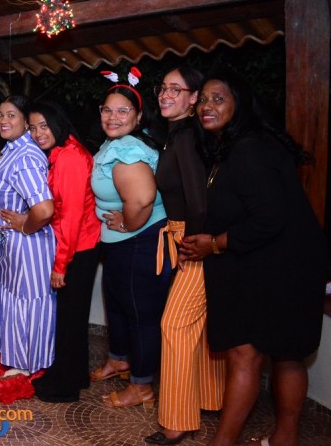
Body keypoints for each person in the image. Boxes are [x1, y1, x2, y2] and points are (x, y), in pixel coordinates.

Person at [180, 71, 327, 446]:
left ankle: (227, 442)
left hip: (284, 268)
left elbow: (268, 220)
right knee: (282, 354)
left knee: (251, 353)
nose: (207, 106)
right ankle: (283, 439)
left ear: (240, 104)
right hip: (272, 264)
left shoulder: (249, 150)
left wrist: (214, 244)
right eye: (203, 100)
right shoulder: (236, 146)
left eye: (219, 99)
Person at [146, 67, 225, 444]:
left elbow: (198, 201)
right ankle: (212, 398)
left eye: (176, 90)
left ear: (193, 99)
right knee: (198, 325)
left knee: (174, 324)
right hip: (188, 236)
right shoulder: (177, 135)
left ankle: (176, 421)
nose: (166, 95)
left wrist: (192, 245)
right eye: (163, 88)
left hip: (193, 241)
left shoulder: (187, 137)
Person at [90, 77, 170, 409]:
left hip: (140, 241)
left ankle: (142, 387)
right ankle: (119, 360)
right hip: (121, 243)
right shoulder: (116, 143)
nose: (113, 117)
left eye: (123, 111)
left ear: (138, 116)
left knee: (139, 313)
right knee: (118, 304)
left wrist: (127, 223)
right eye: (107, 110)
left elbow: (141, 199)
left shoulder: (127, 149)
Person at [19, 99, 102, 402]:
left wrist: (60, 265)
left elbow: (70, 218)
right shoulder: (62, 151)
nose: (38, 133)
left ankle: (65, 386)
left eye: (44, 125)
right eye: (32, 128)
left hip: (79, 247)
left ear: (58, 123)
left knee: (69, 318)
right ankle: (76, 374)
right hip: (80, 245)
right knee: (73, 316)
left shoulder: (69, 157)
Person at [0, 94, 55, 379]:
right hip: (14, 243)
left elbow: (44, 209)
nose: (3, 120)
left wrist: (25, 226)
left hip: (29, 245)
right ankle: (19, 357)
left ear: (26, 122)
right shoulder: (13, 149)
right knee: (16, 299)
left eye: (11, 115)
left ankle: (29, 363)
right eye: (1, 114)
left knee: (29, 302)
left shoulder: (26, 157)